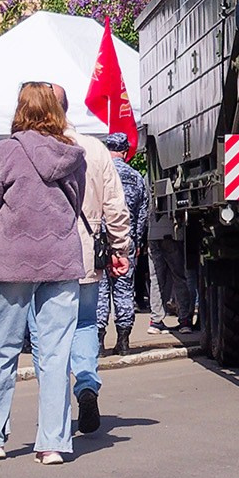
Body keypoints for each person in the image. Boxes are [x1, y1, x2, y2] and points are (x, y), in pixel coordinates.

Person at [0, 83, 89, 465]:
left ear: (21, 108)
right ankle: (53, 442)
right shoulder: (73, 155)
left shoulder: (5, 151)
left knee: (2, 350)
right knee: (56, 354)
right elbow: (75, 207)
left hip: (13, 259)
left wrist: (1, 236)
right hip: (61, 257)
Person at [55, 87, 132, 437]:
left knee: (49, 332)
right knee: (86, 324)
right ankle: (86, 385)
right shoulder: (96, 149)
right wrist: (120, 248)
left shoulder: (30, 148)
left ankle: (54, 408)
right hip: (87, 252)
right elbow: (116, 206)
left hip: (45, 257)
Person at [106, 138, 150, 354]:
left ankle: (97, 341)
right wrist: (137, 239)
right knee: (124, 290)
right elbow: (143, 213)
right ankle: (123, 341)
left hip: (101, 241)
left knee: (101, 291)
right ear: (124, 151)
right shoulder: (136, 177)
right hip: (126, 240)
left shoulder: (100, 173)